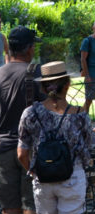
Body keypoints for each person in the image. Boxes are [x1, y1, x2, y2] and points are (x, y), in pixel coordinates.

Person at [17, 61, 94, 214]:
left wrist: (34, 172)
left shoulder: (30, 113)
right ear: (67, 85)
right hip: (72, 176)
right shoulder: (80, 116)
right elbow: (89, 147)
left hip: (43, 178)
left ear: (44, 88)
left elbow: (21, 153)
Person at [0, 26, 43, 214]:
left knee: (9, 207)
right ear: (29, 48)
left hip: (2, 149)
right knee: (31, 205)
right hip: (30, 148)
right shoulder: (35, 72)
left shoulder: (0, 73)